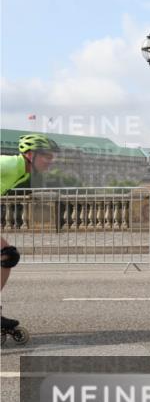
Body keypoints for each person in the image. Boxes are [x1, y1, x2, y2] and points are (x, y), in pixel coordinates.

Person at [1, 134, 60, 345]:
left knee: (7, 256)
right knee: (7, 255)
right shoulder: (8, 165)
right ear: (30, 155)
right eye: (47, 156)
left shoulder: (20, 171)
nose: (51, 161)